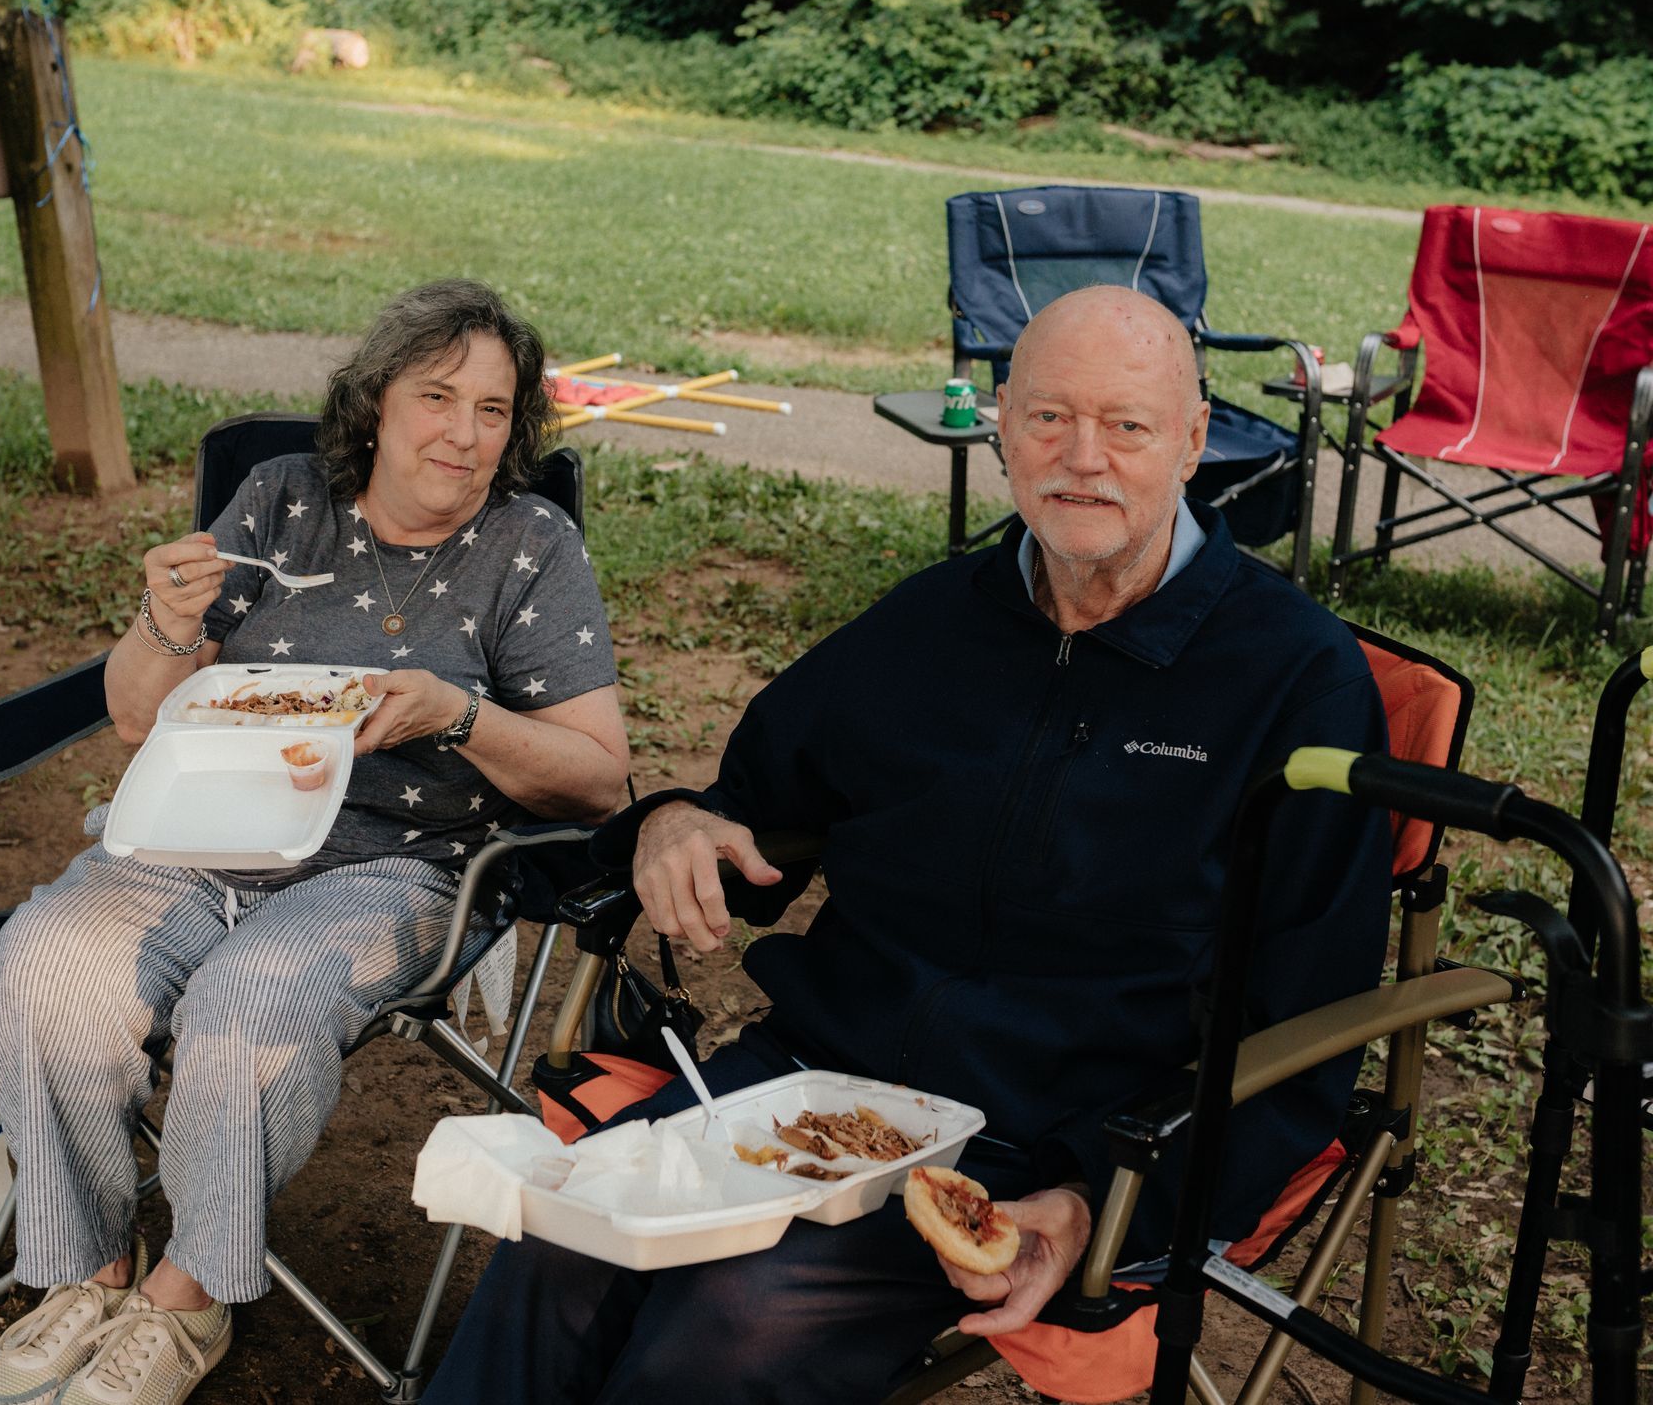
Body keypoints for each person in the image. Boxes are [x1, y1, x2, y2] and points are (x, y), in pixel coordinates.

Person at [424, 286, 1391, 1403]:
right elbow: (751, 802)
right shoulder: (935, 621)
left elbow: (1307, 1030)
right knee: (567, 1239)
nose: (1084, 459)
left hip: (1048, 1144)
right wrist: (678, 822)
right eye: (1047, 420)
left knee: (737, 1318)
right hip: (807, 1087)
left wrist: (1098, 1197)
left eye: (1126, 425)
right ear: (999, 427)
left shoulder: (1294, 679)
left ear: (1191, 440)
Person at [0, 280, 628, 1405]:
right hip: (201, 830)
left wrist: (454, 715)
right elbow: (137, 713)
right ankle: (86, 1267)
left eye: (494, 409)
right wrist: (169, 619)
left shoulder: (528, 543)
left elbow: (602, 774)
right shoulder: (280, 502)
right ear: (376, 403)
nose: (466, 435)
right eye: (438, 397)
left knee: (252, 1003)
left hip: (397, 865)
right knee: (45, 962)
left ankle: (185, 1297)